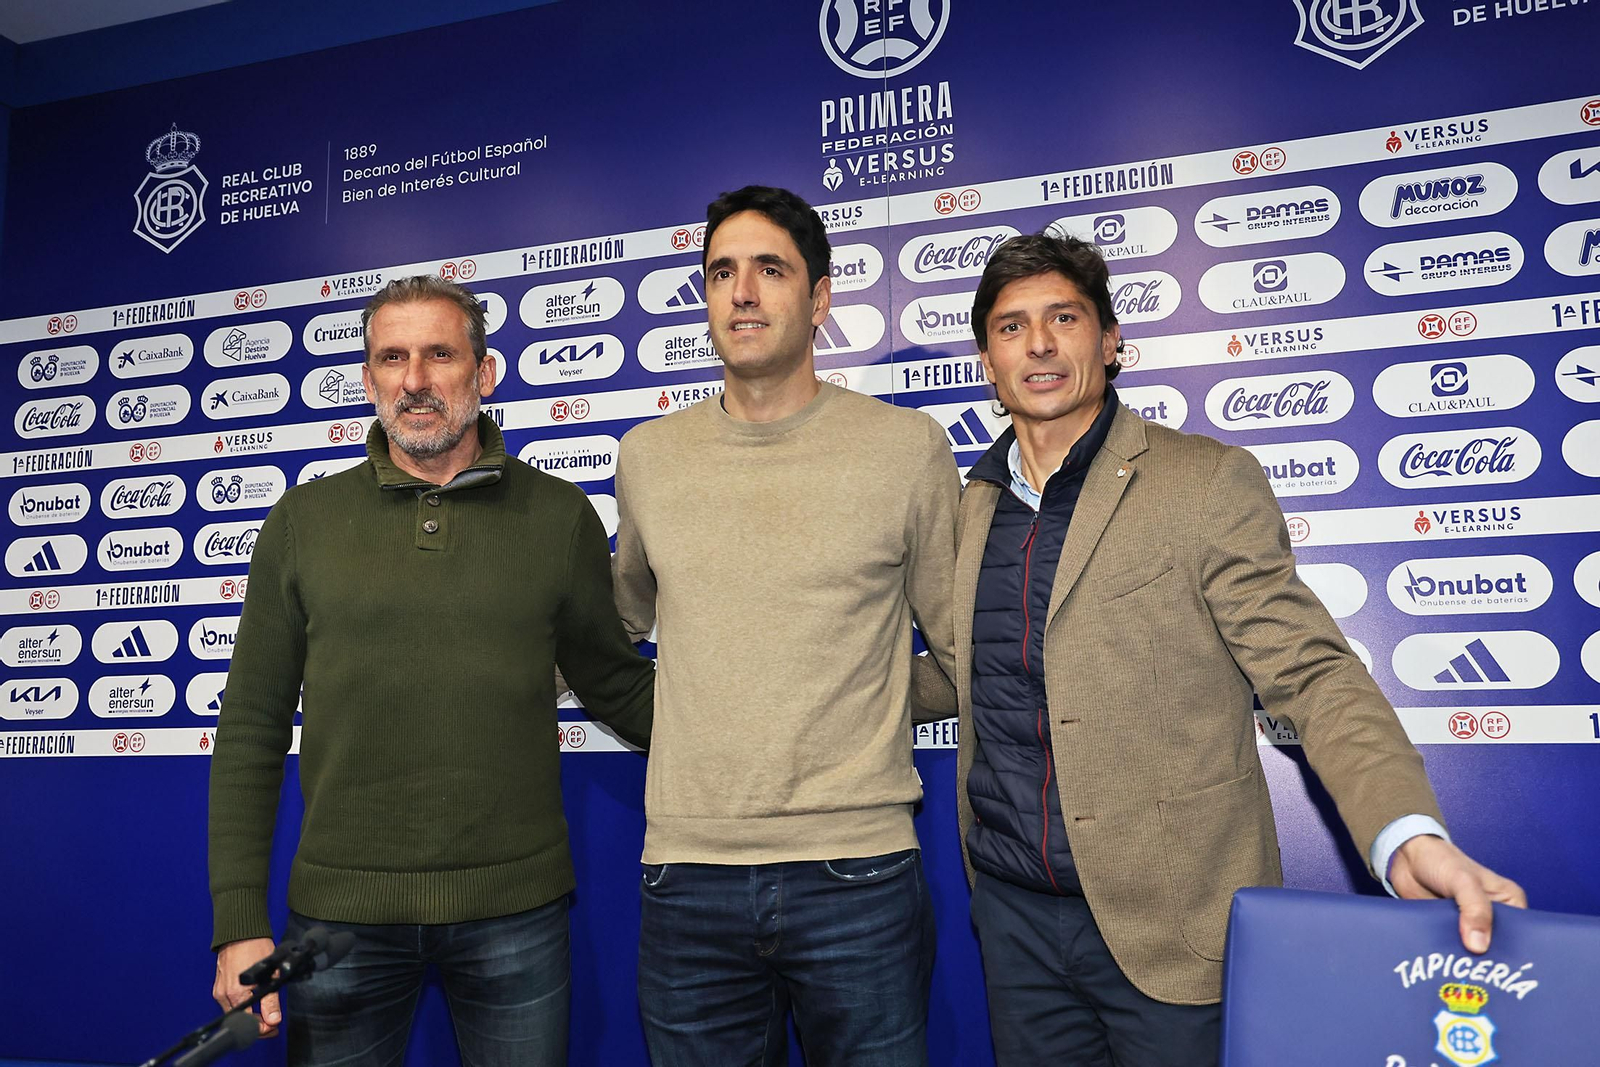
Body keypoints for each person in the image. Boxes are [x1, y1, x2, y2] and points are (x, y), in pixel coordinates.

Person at [939, 231, 1526, 1066]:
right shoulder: (972, 507)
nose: (1038, 343)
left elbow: (1311, 671)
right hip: (1013, 920)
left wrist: (1405, 833)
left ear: (1110, 341)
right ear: (988, 364)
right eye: (1011, 326)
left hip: (1174, 927)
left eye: (1063, 318)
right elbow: (966, 669)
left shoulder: (1205, 482)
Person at [207, 274, 654, 1066]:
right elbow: (250, 724)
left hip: (517, 911)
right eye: (392, 358)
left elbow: (616, 684)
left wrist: (762, 722)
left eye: (440, 354)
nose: (414, 379)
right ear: (369, 379)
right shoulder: (302, 523)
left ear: (484, 373)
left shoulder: (560, 517)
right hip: (339, 922)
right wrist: (239, 921)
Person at [611, 185, 960, 1067]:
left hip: (858, 869)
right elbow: (615, 629)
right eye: (721, 272)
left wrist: (862, 702)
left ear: (820, 297)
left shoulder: (906, 448)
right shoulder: (648, 457)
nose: (742, 292)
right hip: (686, 873)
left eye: (770, 269)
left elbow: (965, 657)